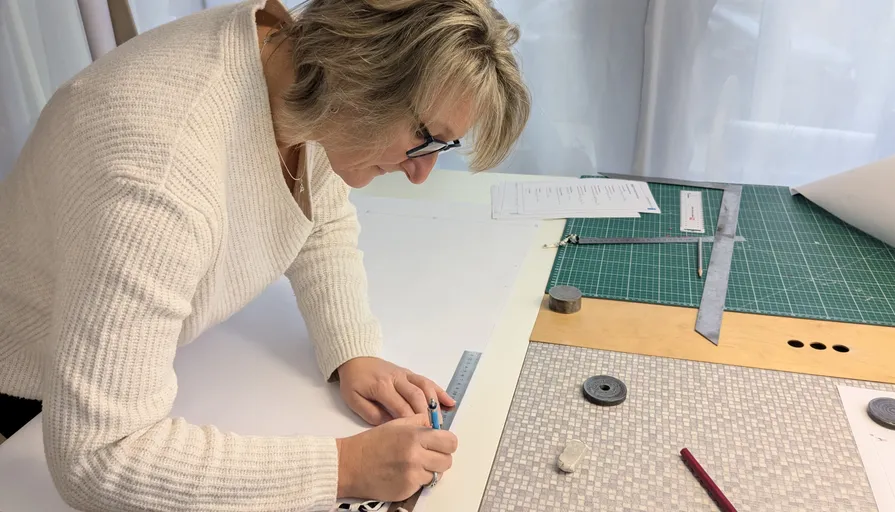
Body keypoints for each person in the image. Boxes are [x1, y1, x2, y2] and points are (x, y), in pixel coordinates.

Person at [0, 0, 530, 509]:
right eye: (426, 139)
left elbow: (315, 210)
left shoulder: (293, 59)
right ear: (363, 71)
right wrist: (342, 468)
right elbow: (99, 458)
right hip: (24, 405)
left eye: (442, 147)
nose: (421, 173)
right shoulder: (157, 176)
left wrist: (352, 350)